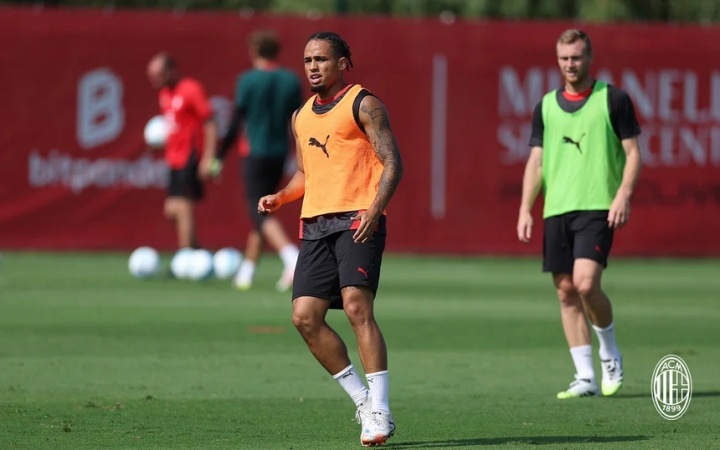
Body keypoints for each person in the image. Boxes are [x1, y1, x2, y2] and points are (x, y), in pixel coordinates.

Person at [257, 32, 403, 446]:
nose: (313, 67)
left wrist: (375, 209)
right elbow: (305, 173)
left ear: (342, 64)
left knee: (357, 308)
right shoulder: (300, 116)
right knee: (304, 317)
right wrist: (281, 197)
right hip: (315, 225)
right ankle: (362, 401)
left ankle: (381, 409)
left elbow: (393, 162)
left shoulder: (364, 104)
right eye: (307, 60)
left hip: (358, 220)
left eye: (321, 59)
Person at [517, 29, 642, 399]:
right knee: (566, 291)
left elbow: (633, 153)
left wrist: (623, 194)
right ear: (557, 60)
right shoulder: (546, 106)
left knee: (586, 283)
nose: (570, 64)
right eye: (564, 58)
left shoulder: (613, 99)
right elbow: (536, 161)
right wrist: (525, 207)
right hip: (557, 208)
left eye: (576, 57)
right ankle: (585, 376)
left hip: (598, 206)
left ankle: (610, 353)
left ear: (589, 58)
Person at [216, 30, 302, 292]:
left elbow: (235, 122)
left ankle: (292, 258)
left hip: (255, 152)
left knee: (259, 209)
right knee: (265, 211)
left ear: (254, 51)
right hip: (279, 152)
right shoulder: (291, 80)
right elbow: (299, 119)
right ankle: (246, 272)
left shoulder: (247, 80)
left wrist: (218, 156)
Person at [146, 52, 217, 250]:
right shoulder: (164, 94)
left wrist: (208, 157)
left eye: (159, 75)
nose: (155, 80)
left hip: (190, 155)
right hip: (173, 158)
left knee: (184, 206)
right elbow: (174, 126)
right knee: (171, 210)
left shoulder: (191, 89)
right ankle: (197, 251)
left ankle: (186, 254)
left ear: (171, 70)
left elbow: (210, 123)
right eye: (152, 76)